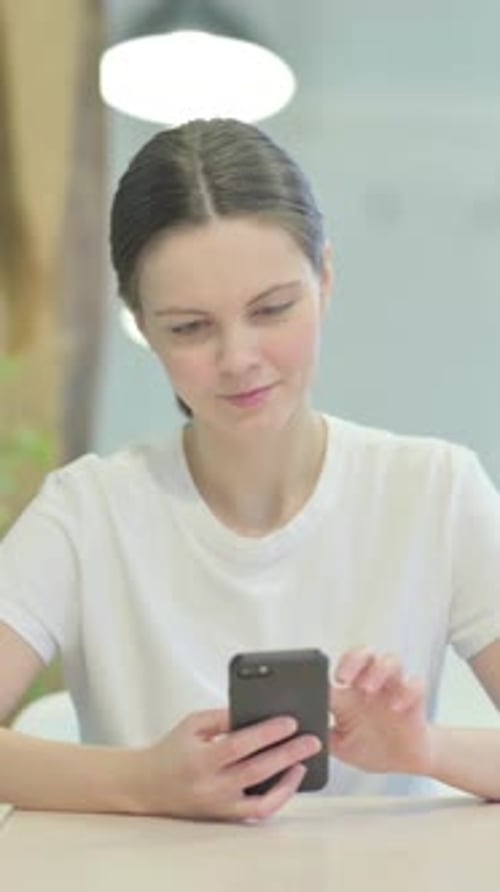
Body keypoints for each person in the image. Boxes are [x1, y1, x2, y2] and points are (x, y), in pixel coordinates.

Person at [1, 118, 500, 822]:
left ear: (324, 279)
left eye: (272, 310)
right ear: (142, 323)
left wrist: (425, 749)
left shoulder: (436, 491)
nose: (238, 359)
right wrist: (144, 782)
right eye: (189, 327)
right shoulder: (86, 512)